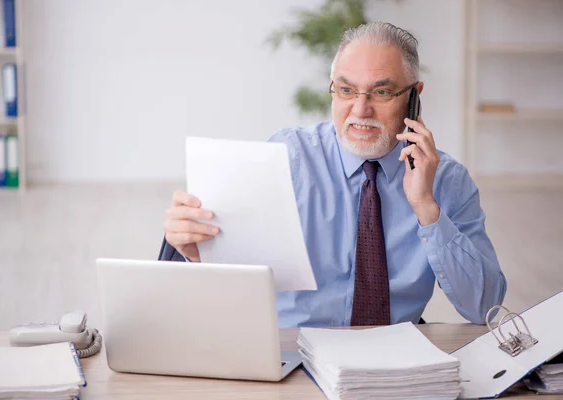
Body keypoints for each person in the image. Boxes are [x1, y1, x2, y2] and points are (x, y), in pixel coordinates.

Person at [159, 21, 507, 328]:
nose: (360, 109)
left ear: (413, 98)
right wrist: (195, 251)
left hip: (396, 359)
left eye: (382, 92)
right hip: (294, 354)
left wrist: (426, 207)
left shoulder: (448, 180)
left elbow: (486, 307)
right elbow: (229, 288)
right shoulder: (286, 157)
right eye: (346, 90)